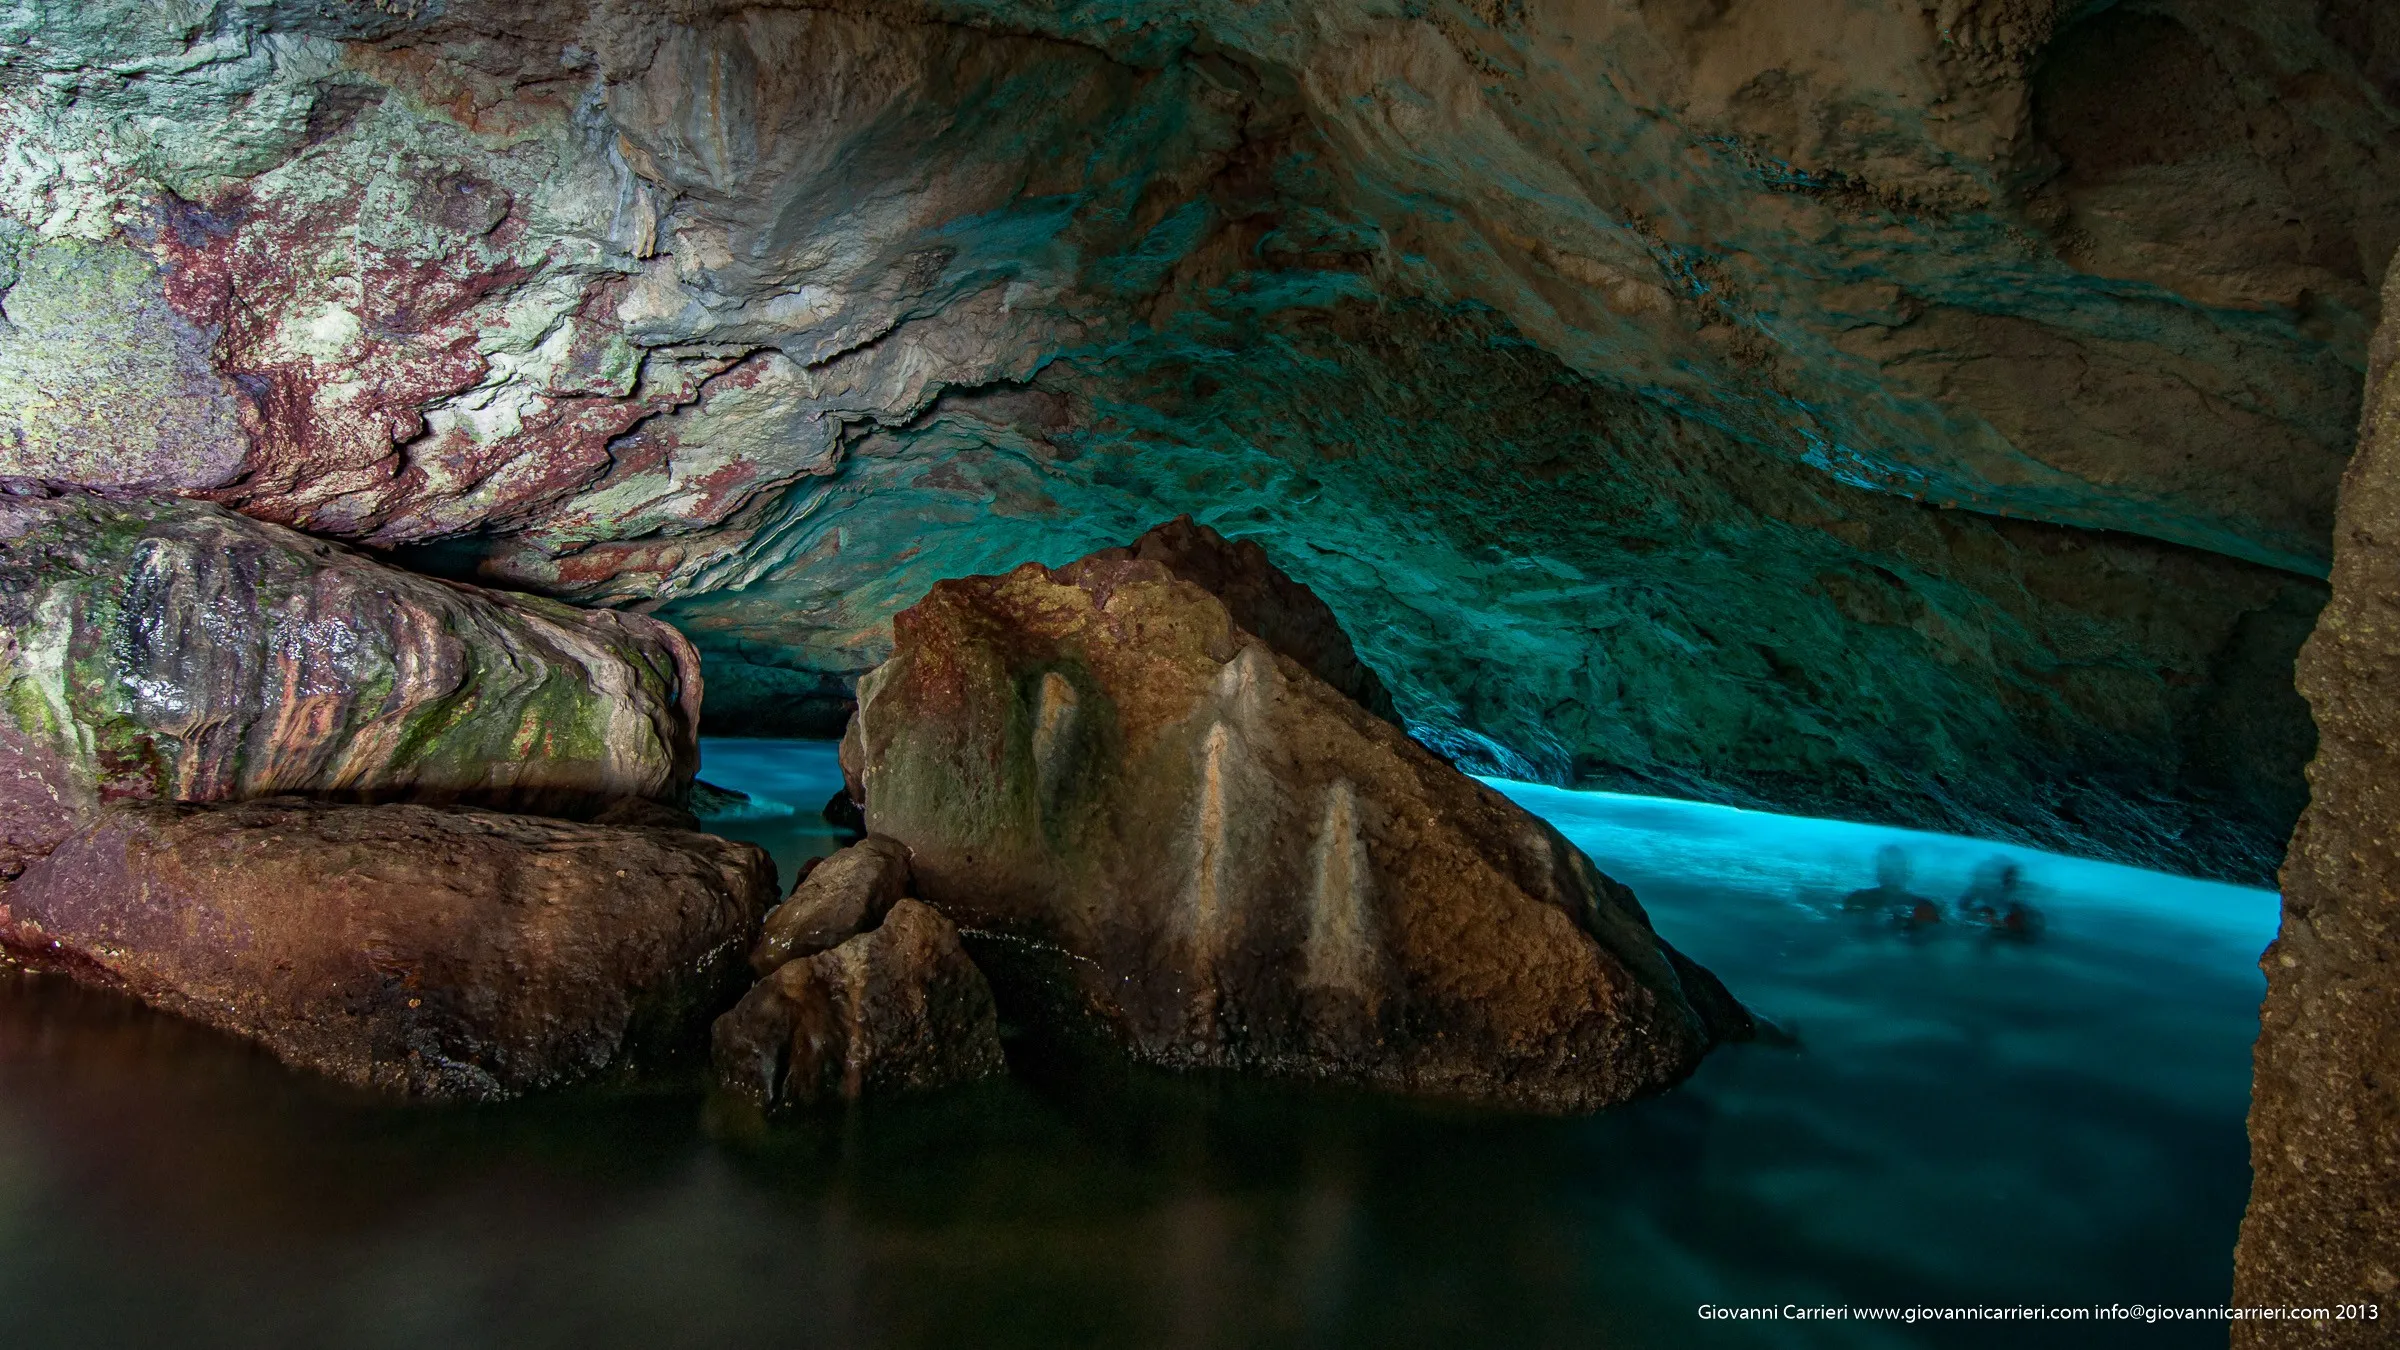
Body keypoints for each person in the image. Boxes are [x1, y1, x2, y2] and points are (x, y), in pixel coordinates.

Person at [1842, 845, 1936, 926]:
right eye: (1887, 869)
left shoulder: (1858, 898)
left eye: (1898, 867)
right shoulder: (1857, 898)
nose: (1893, 874)